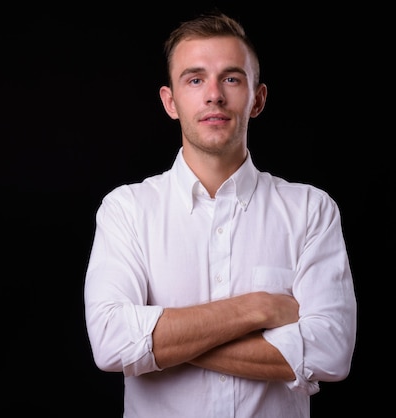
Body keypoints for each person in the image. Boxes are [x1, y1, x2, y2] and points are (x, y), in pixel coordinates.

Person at [83, 10, 357, 418]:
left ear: (258, 98)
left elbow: (332, 352)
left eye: (231, 78)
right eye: (195, 80)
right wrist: (258, 310)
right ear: (170, 102)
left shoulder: (310, 210)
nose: (214, 95)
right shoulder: (126, 210)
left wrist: (162, 344)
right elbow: (110, 342)